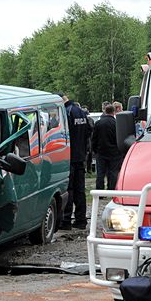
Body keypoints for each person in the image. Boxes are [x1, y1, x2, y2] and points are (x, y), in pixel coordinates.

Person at [60, 95, 92, 230]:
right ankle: (81, 220)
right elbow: (88, 131)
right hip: (80, 156)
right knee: (80, 190)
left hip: (69, 157)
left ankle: (66, 220)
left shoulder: (66, 112)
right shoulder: (81, 112)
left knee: (69, 189)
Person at [91, 102, 123, 191]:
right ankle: (111, 189)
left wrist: (94, 149)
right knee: (113, 172)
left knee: (100, 173)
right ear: (113, 112)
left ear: (105, 111)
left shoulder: (98, 123)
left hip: (101, 151)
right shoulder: (116, 123)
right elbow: (119, 138)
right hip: (114, 152)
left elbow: (94, 138)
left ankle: (100, 191)